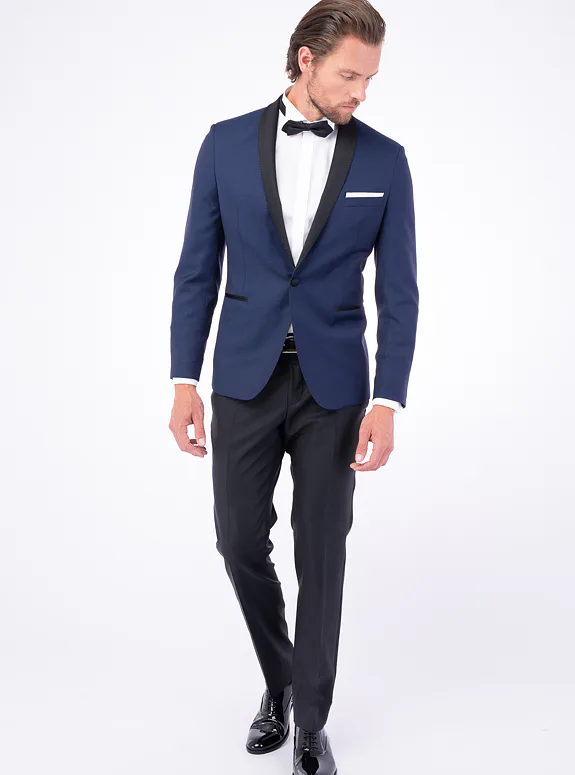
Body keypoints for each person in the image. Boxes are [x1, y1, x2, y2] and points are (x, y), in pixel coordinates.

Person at [168, 1, 418, 772]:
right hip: (243, 376)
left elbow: (399, 292)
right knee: (238, 538)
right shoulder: (222, 145)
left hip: (333, 386)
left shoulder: (385, 162)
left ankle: (309, 719)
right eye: (349, 75)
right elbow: (196, 272)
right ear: (305, 60)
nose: (361, 93)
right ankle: (280, 676)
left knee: (321, 548)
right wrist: (183, 379)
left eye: (370, 79)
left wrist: (388, 398)